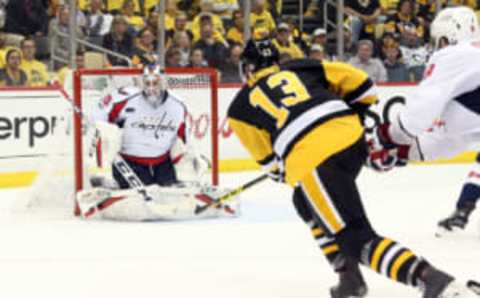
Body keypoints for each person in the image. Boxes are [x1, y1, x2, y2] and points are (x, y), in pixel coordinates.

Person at [227, 36, 480, 298]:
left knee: (357, 238)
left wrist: (288, 165)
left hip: (313, 160)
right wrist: (344, 117)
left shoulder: (238, 108)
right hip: (353, 139)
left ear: (247, 68)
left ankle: (435, 282)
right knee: (303, 200)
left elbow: (271, 165)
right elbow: (364, 86)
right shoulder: (302, 66)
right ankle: (349, 277)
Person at [366, 6, 480, 240]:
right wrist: (401, 154)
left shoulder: (455, 54)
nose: (439, 46)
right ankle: (463, 210)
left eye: (441, 40)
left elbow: (418, 115)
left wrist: (384, 137)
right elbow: (448, 140)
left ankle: (463, 210)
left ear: (451, 35)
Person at [77, 64, 238, 221]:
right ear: (141, 82)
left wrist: (197, 159)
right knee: (106, 131)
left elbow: (187, 140)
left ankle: (192, 186)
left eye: (156, 82)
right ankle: (104, 181)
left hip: (163, 164)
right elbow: (98, 118)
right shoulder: (125, 99)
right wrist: (95, 124)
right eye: (147, 83)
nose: (151, 87)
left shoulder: (177, 105)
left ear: (164, 82)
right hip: (129, 164)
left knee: (172, 183)